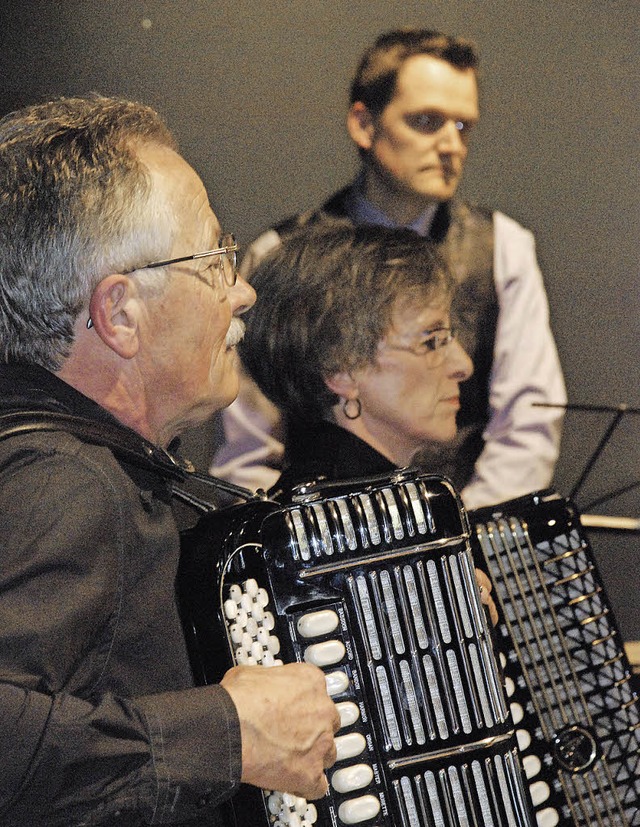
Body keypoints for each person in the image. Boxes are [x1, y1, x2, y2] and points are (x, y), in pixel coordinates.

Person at [0, 94, 339, 825]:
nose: (242, 289)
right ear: (121, 311)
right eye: (215, 258)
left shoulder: (104, 476)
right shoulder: (68, 484)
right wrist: (227, 734)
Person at [213, 27, 567, 510]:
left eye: (463, 126)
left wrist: (456, 539)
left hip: (469, 537)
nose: (451, 145)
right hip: (317, 545)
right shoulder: (281, 254)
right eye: (427, 121)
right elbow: (249, 449)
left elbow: (527, 427)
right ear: (364, 124)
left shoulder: (503, 246)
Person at [238, 219, 498, 624]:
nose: (463, 365)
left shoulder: (418, 506)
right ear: (342, 371)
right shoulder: (307, 535)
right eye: (431, 341)